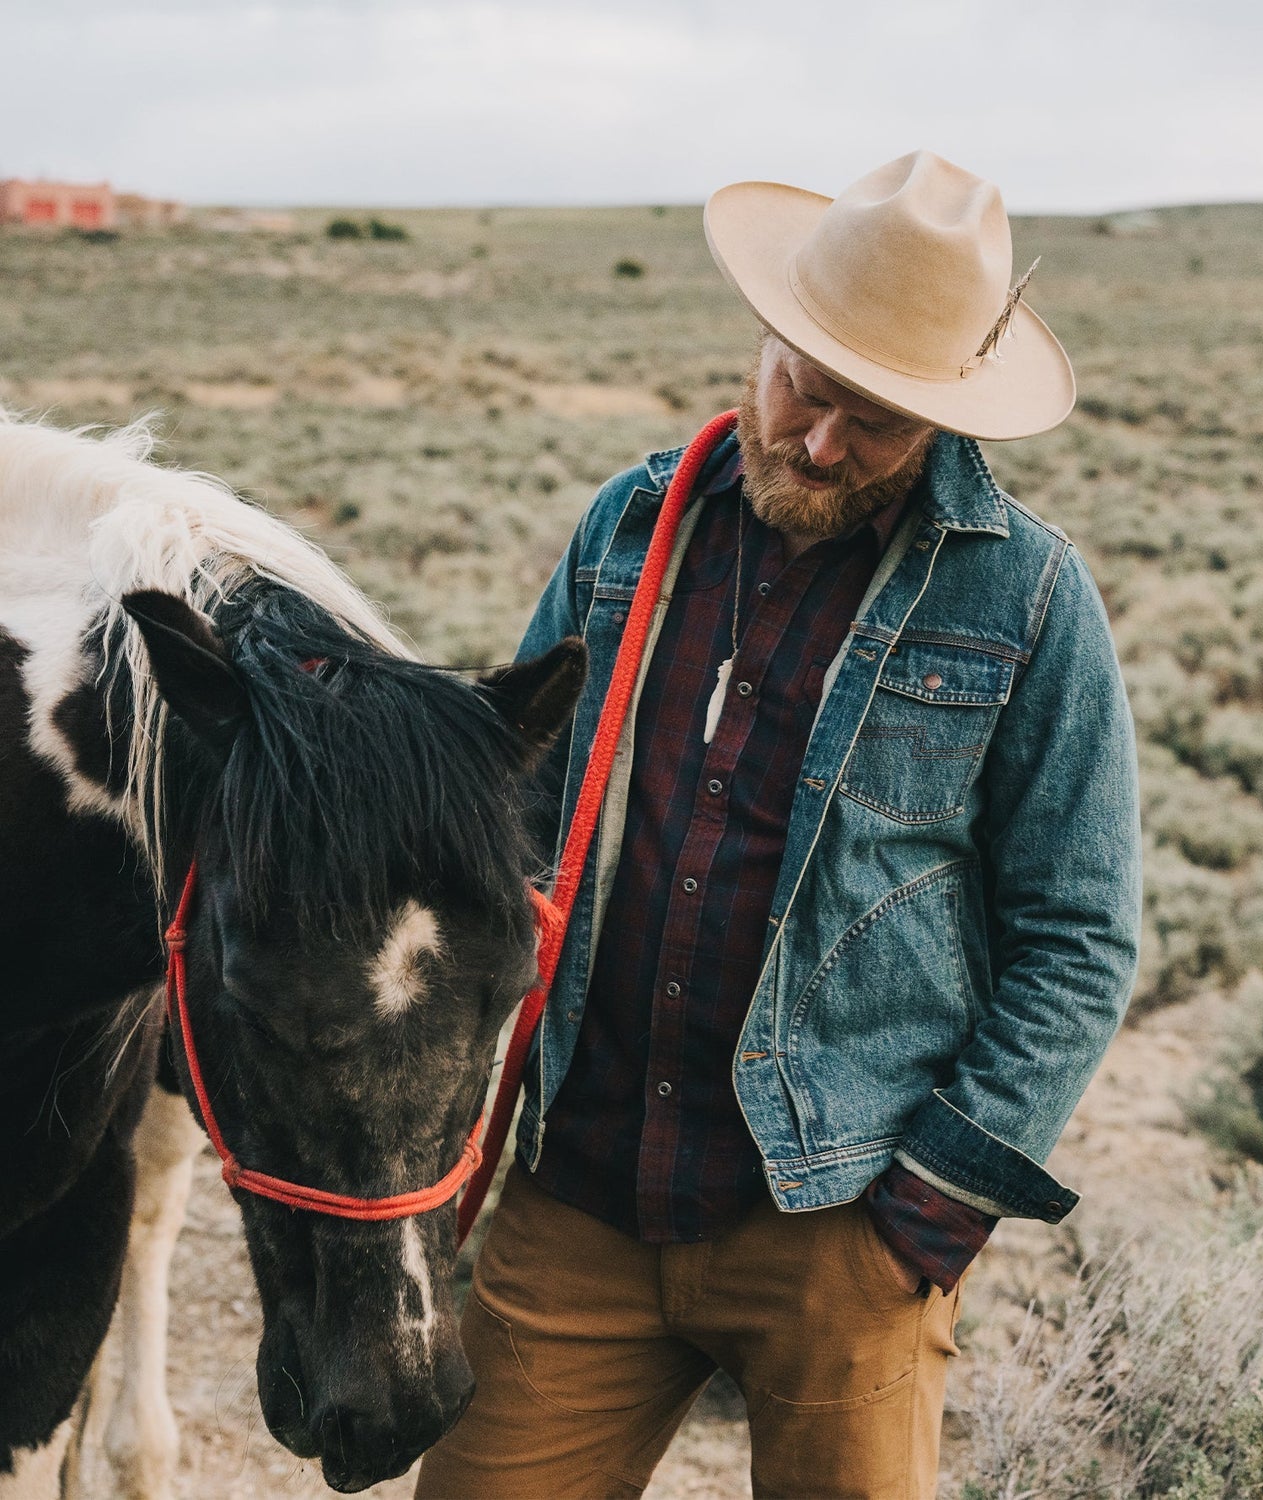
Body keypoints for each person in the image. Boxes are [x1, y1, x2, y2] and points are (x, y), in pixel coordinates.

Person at [415, 149, 1141, 1500]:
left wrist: (932, 1202)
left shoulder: (1029, 603)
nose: (821, 444)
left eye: (876, 420)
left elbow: (1080, 933)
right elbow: (511, 808)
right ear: (770, 334)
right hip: (578, 1193)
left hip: (840, 1224)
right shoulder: (630, 526)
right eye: (807, 388)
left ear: (944, 414)